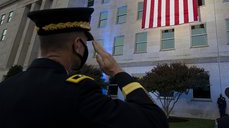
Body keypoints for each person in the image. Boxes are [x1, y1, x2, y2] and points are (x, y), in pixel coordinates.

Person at [0, 7, 168, 128]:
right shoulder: (78, 91)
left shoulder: (6, 87)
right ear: (78, 45)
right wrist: (117, 71)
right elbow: (154, 120)